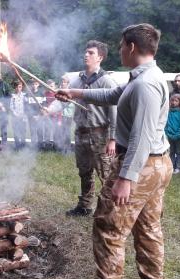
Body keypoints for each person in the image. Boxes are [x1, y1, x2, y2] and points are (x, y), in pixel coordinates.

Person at [56, 23, 172, 279]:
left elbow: (141, 137)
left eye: (121, 45)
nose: (119, 50)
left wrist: (125, 177)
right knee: (147, 228)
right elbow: (111, 95)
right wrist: (75, 93)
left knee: (109, 227)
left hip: (142, 166)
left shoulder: (145, 85)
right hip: (155, 164)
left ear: (131, 47)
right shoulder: (142, 76)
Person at [65, 40, 117, 217]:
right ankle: (85, 205)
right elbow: (66, 96)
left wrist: (112, 139)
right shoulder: (77, 80)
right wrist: (50, 108)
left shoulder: (106, 81)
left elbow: (113, 111)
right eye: (85, 52)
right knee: (84, 172)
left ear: (100, 57)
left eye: (91, 53)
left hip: (100, 135)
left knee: (106, 174)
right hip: (80, 133)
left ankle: (111, 211)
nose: (86, 55)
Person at [165, 94, 180, 174]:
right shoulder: (168, 112)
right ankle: (171, 166)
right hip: (170, 135)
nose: (173, 102)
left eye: (176, 101)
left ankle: (178, 167)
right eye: (172, 100)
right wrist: (167, 132)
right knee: (172, 151)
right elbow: (166, 124)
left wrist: (178, 134)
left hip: (178, 136)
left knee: (178, 151)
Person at [27, 80, 46, 149]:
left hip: (39, 116)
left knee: (40, 131)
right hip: (31, 116)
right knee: (32, 131)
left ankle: (40, 146)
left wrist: (39, 115)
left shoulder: (41, 93)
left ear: (38, 85)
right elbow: (27, 106)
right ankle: (33, 146)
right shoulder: (29, 93)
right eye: (33, 84)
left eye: (36, 84)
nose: (34, 85)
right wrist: (32, 115)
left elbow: (44, 105)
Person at [10, 81, 27, 150]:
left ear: (22, 87)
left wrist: (23, 115)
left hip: (23, 117)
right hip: (15, 117)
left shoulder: (25, 95)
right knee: (16, 132)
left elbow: (27, 105)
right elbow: (11, 107)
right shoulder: (12, 96)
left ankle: (23, 146)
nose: (18, 88)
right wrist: (16, 115)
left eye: (20, 87)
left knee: (23, 131)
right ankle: (17, 146)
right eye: (17, 87)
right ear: (15, 88)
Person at [60, 75, 75, 153]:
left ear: (68, 83)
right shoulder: (60, 91)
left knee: (67, 131)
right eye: (62, 82)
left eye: (64, 82)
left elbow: (67, 103)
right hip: (62, 115)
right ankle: (63, 148)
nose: (63, 83)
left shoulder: (70, 91)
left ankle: (68, 148)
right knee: (62, 131)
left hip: (68, 115)